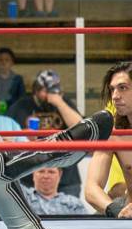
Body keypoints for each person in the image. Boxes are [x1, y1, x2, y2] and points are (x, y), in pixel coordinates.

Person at [7, 69, 84, 197]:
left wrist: (59, 103)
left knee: (70, 216)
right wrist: (23, 136)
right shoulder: (20, 105)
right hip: (29, 176)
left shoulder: (63, 102)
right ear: (36, 90)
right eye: (46, 90)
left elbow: (81, 128)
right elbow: (7, 138)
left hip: (66, 175)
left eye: (54, 90)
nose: (50, 95)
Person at [85, 61, 132, 218]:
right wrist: (116, 210)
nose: (115, 96)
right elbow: (91, 188)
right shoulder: (114, 135)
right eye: (112, 89)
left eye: (123, 88)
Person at [21, 167, 89, 215]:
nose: (46, 176)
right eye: (41, 171)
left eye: (51, 172)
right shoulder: (21, 197)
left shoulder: (74, 204)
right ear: (33, 174)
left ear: (60, 175)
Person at [0, 47, 25, 111]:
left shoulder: (18, 79)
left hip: (13, 114)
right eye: (0, 60)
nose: (3, 62)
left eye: (7, 60)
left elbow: (22, 100)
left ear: (12, 62)